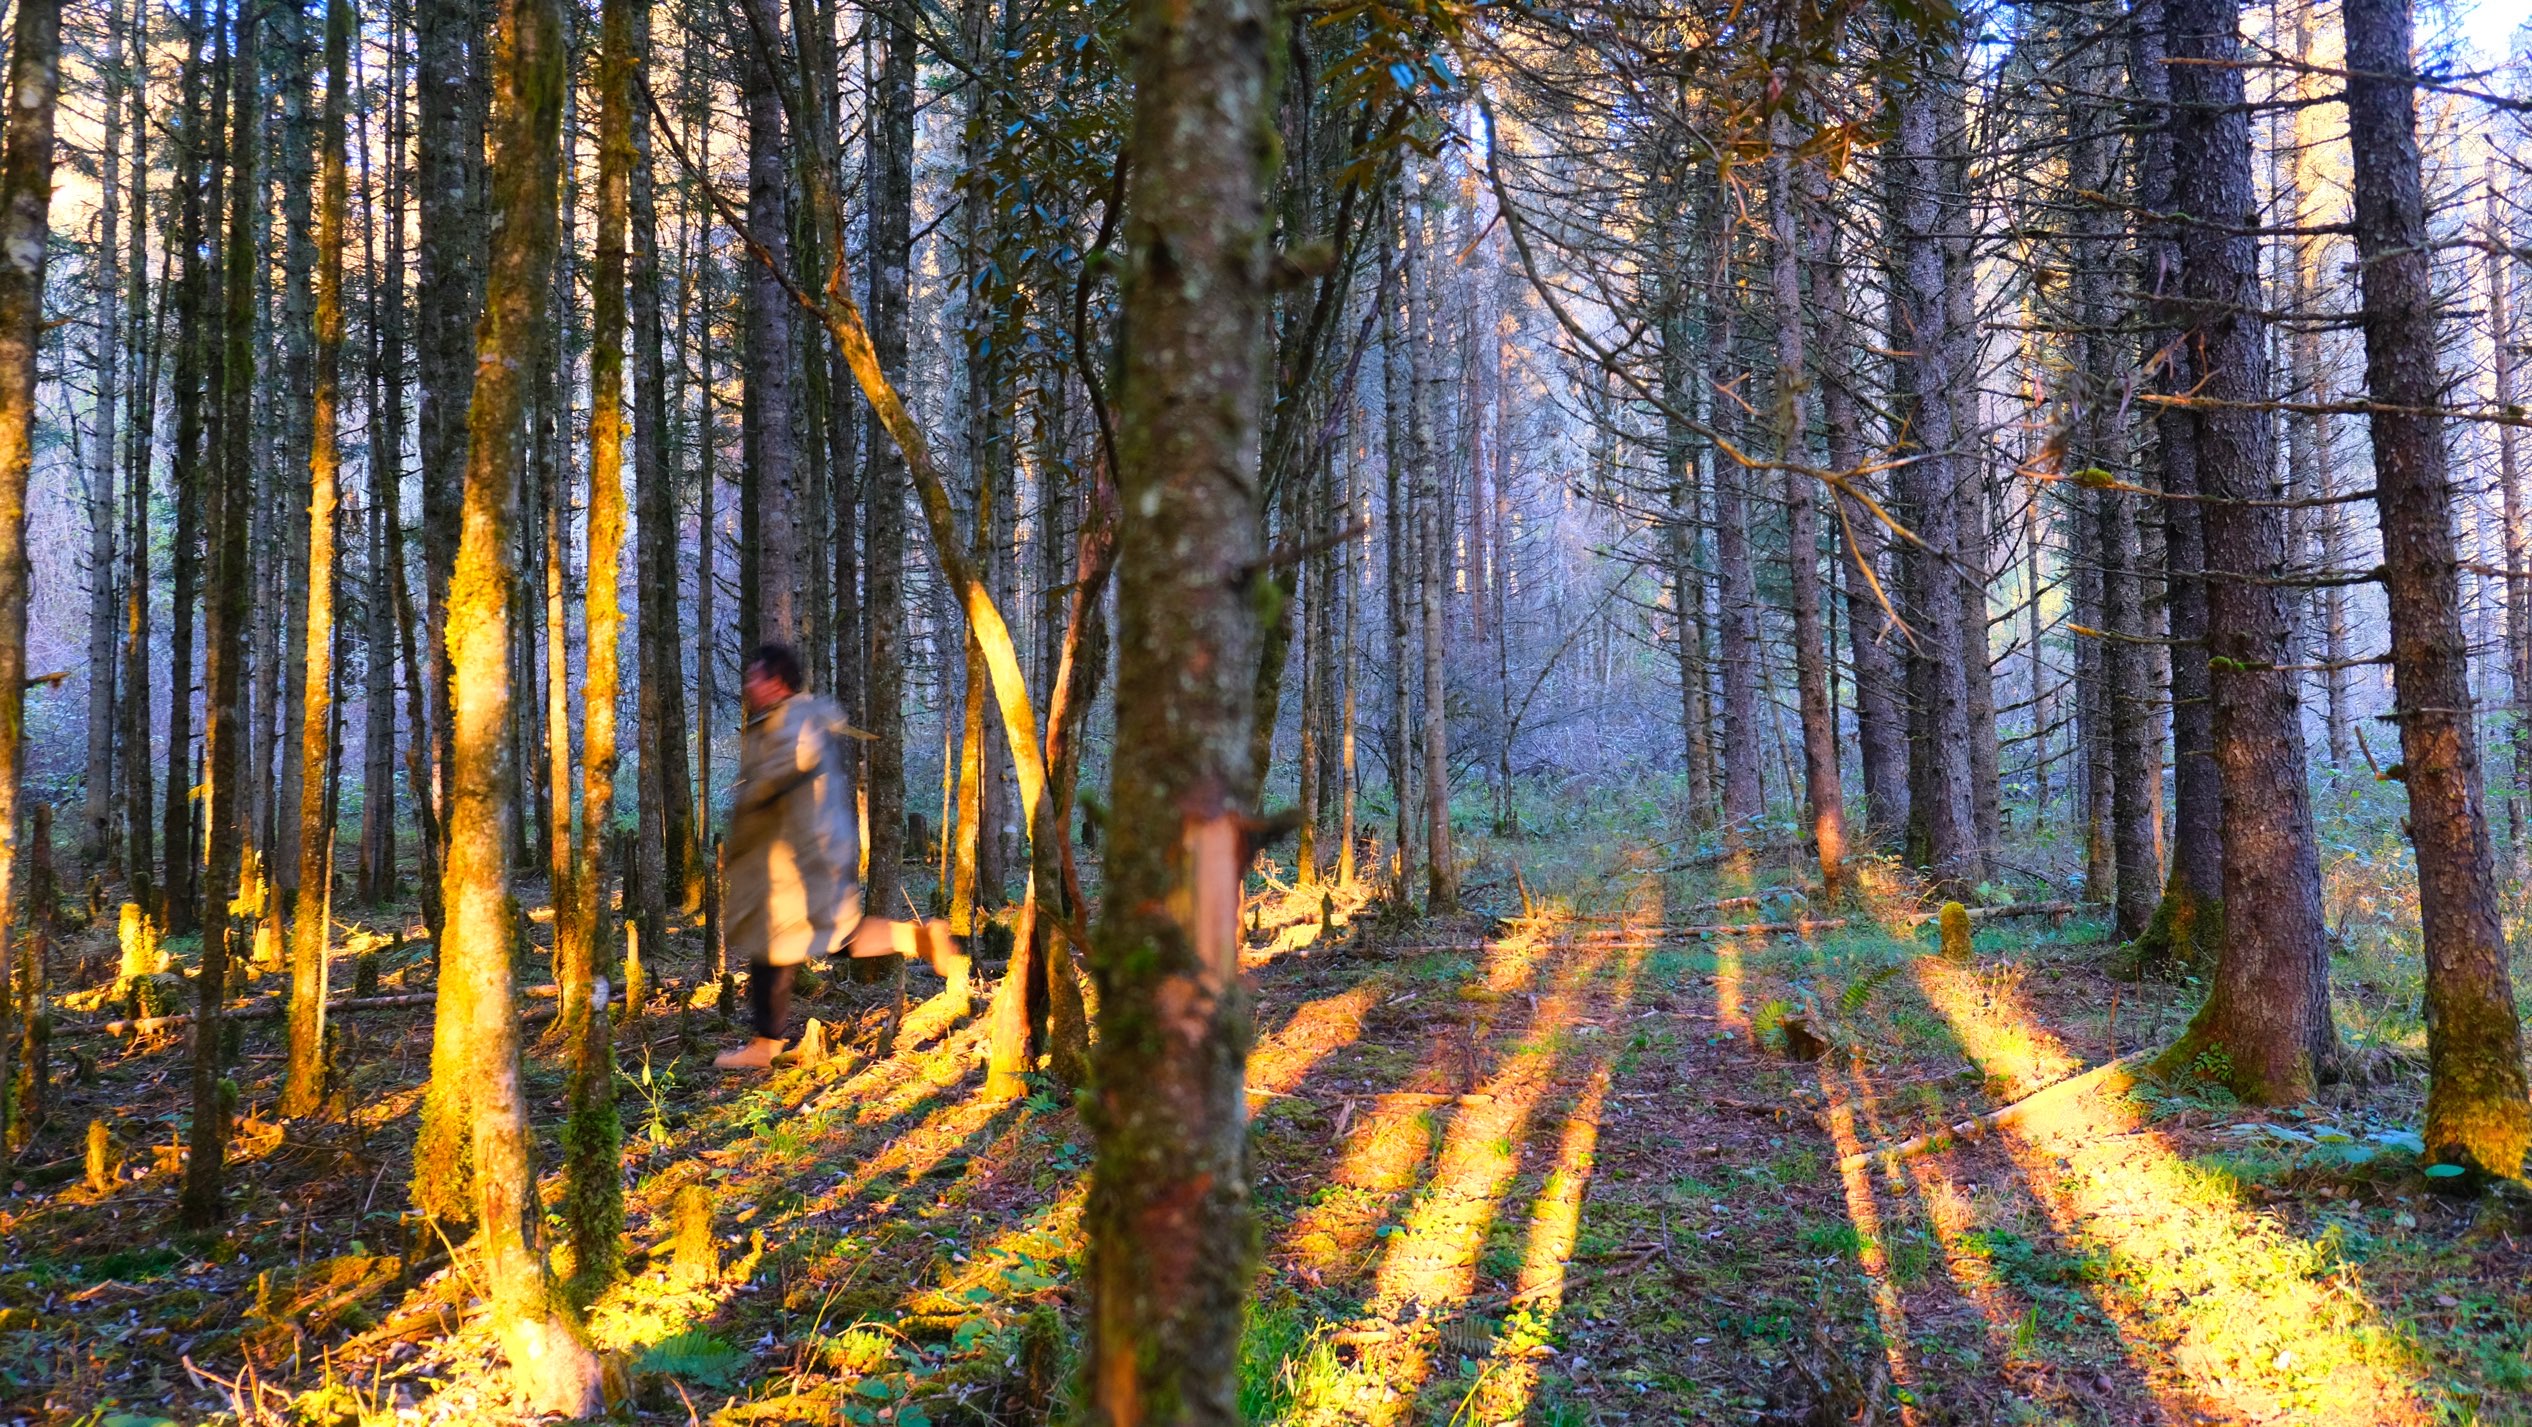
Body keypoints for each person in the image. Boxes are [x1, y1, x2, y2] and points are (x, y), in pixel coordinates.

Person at [715, 642, 964, 1070]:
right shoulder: (792, 719)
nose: (749, 684)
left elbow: (780, 776)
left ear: (776, 682)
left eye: (756, 676)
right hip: (798, 854)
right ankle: (922, 939)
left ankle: (764, 1045)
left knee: (785, 943)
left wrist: (750, 798)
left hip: (799, 857)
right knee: (827, 937)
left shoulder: (794, 721)